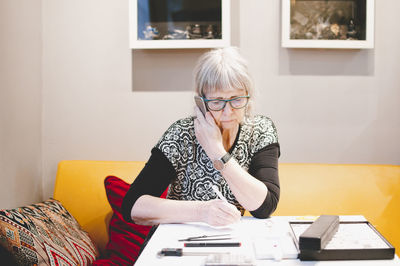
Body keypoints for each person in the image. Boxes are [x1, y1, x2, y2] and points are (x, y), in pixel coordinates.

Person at [122, 47, 280, 227]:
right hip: (177, 243)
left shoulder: (260, 130)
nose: (228, 111)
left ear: (248, 97)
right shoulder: (181, 134)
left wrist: (217, 151)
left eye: (236, 99)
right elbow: (132, 207)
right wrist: (202, 212)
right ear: (201, 102)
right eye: (217, 101)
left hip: (230, 242)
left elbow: (264, 206)